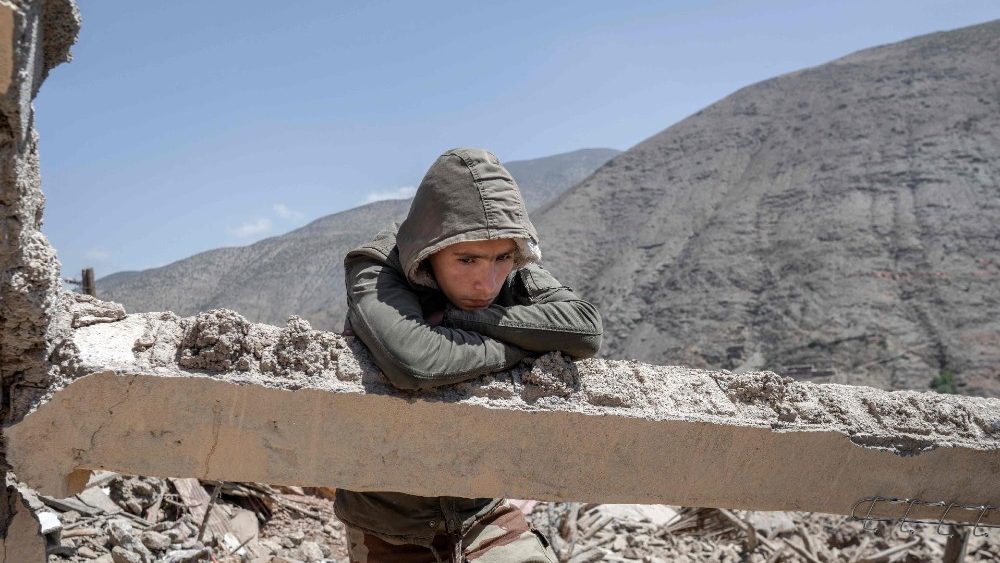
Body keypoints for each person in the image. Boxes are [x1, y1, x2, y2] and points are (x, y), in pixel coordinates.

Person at [335, 148, 603, 562]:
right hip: (388, 520)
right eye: (466, 259)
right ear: (429, 249)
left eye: (501, 259)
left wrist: (462, 319)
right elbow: (413, 361)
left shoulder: (511, 259)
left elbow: (584, 328)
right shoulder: (378, 264)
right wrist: (524, 343)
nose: (487, 280)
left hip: (481, 508)